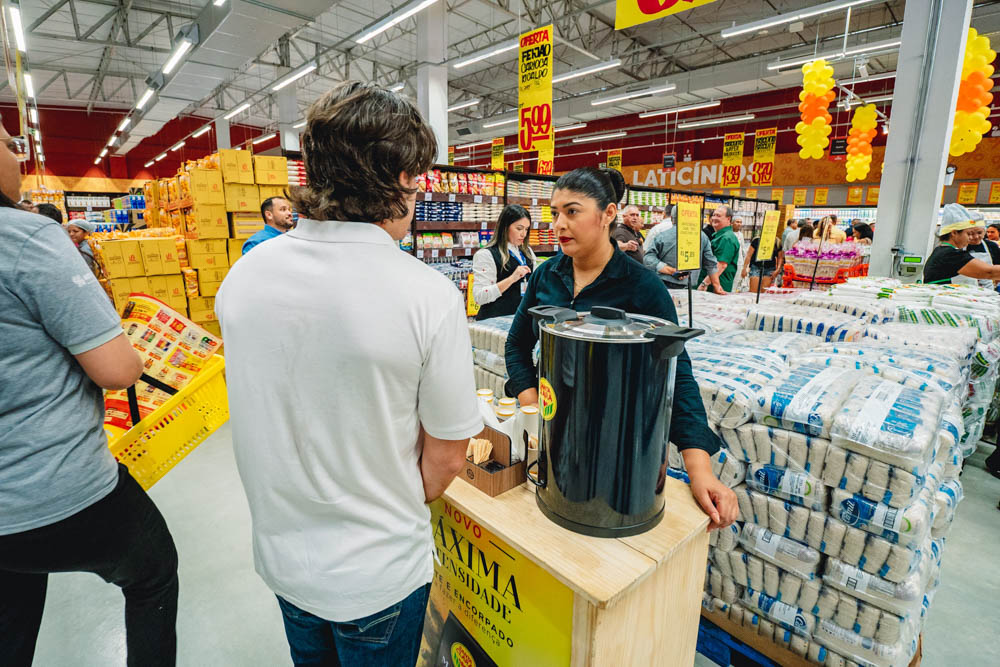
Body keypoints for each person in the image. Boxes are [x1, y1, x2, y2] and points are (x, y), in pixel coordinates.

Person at [216, 81, 482, 666]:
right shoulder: (425, 294)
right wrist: (376, 502)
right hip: (378, 574)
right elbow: (445, 460)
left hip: (283, 560)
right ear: (402, 180)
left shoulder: (244, 277)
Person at [0, 117, 178, 666]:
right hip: (51, 487)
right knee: (153, 573)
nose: (19, 155)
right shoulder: (26, 238)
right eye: (8, 143)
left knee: (11, 606)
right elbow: (118, 369)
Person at [504, 167, 738, 531]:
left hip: (616, 447)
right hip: (552, 443)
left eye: (572, 211)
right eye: (554, 213)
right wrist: (533, 408)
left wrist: (700, 469)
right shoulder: (546, 275)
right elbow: (517, 345)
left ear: (608, 214)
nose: (559, 224)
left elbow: (680, 377)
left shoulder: (642, 287)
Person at [472, 204, 535, 320]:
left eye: (526, 229)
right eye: (519, 229)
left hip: (519, 321)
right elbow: (479, 297)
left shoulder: (528, 252)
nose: (524, 234)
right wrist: (511, 279)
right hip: (493, 323)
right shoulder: (486, 255)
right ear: (505, 227)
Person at [644, 204, 724, 293]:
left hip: (664, 286)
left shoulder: (662, 236)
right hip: (689, 288)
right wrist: (717, 286)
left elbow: (648, 258)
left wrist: (670, 270)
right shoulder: (702, 237)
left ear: (672, 218)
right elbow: (711, 263)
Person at [923, 204, 1000, 284]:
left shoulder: (942, 250)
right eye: (968, 234)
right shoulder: (950, 255)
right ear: (954, 233)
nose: (970, 238)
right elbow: (989, 272)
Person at [698, 205, 741, 293]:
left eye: (718, 216)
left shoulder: (727, 238)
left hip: (716, 288)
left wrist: (705, 284)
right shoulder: (720, 236)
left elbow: (721, 265)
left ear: (728, 219)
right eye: (714, 215)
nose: (714, 218)